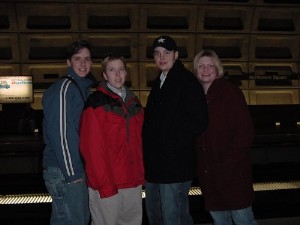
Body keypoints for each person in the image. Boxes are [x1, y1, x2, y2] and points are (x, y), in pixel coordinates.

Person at [142, 35, 208, 225]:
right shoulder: (159, 82)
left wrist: (169, 144)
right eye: (157, 53)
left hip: (174, 166)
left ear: (176, 55)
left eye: (167, 53)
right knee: (156, 216)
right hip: (156, 166)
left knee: (174, 217)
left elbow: (199, 120)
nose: (161, 57)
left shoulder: (187, 82)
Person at [193, 49, 257, 225]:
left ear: (218, 68)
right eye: (201, 66)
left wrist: (226, 162)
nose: (205, 70)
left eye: (210, 65)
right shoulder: (194, 97)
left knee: (243, 218)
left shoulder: (230, 92)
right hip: (210, 176)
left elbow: (245, 132)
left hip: (232, 174)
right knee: (220, 221)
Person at [79, 54, 144, 225]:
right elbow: (92, 150)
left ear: (126, 73)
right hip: (108, 184)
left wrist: (140, 177)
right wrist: (104, 185)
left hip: (132, 183)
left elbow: (139, 144)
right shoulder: (96, 103)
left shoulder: (133, 102)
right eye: (112, 70)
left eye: (121, 69)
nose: (117, 74)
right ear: (105, 75)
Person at [42, 40, 95, 225]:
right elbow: (62, 134)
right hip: (65, 170)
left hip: (71, 168)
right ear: (68, 62)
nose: (83, 64)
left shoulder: (81, 89)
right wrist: (73, 174)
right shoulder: (65, 89)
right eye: (77, 59)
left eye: (87, 59)